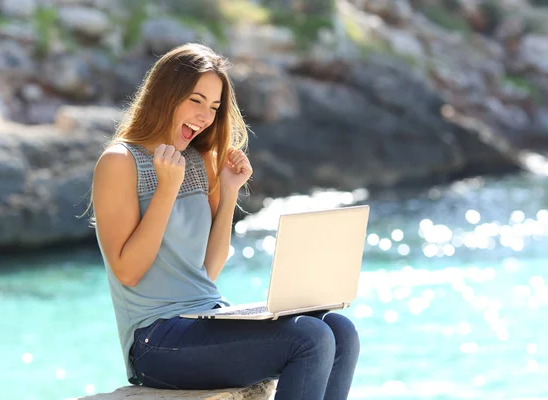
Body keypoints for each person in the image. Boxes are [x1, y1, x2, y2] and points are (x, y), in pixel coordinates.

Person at [90, 43, 360, 400]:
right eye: (196, 101)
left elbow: (207, 271)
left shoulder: (200, 162)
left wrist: (229, 192)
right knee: (310, 339)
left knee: (339, 330)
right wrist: (165, 191)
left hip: (207, 316)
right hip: (155, 341)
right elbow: (128, 272)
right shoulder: (119, 162)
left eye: (214, 108)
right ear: (164, 96)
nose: (205, 117)